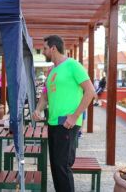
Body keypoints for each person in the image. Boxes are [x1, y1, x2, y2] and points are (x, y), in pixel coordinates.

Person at [32, 35, 96, 192]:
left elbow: (90, 91)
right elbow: (46, 95)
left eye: (45, 49)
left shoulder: (73, 65)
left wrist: (74, 116)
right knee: (55, 167)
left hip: (67, 124)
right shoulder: (52, 71)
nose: (43, 52)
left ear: (53, 48)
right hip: (53, 123)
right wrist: (38, 109)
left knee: (62, 167)